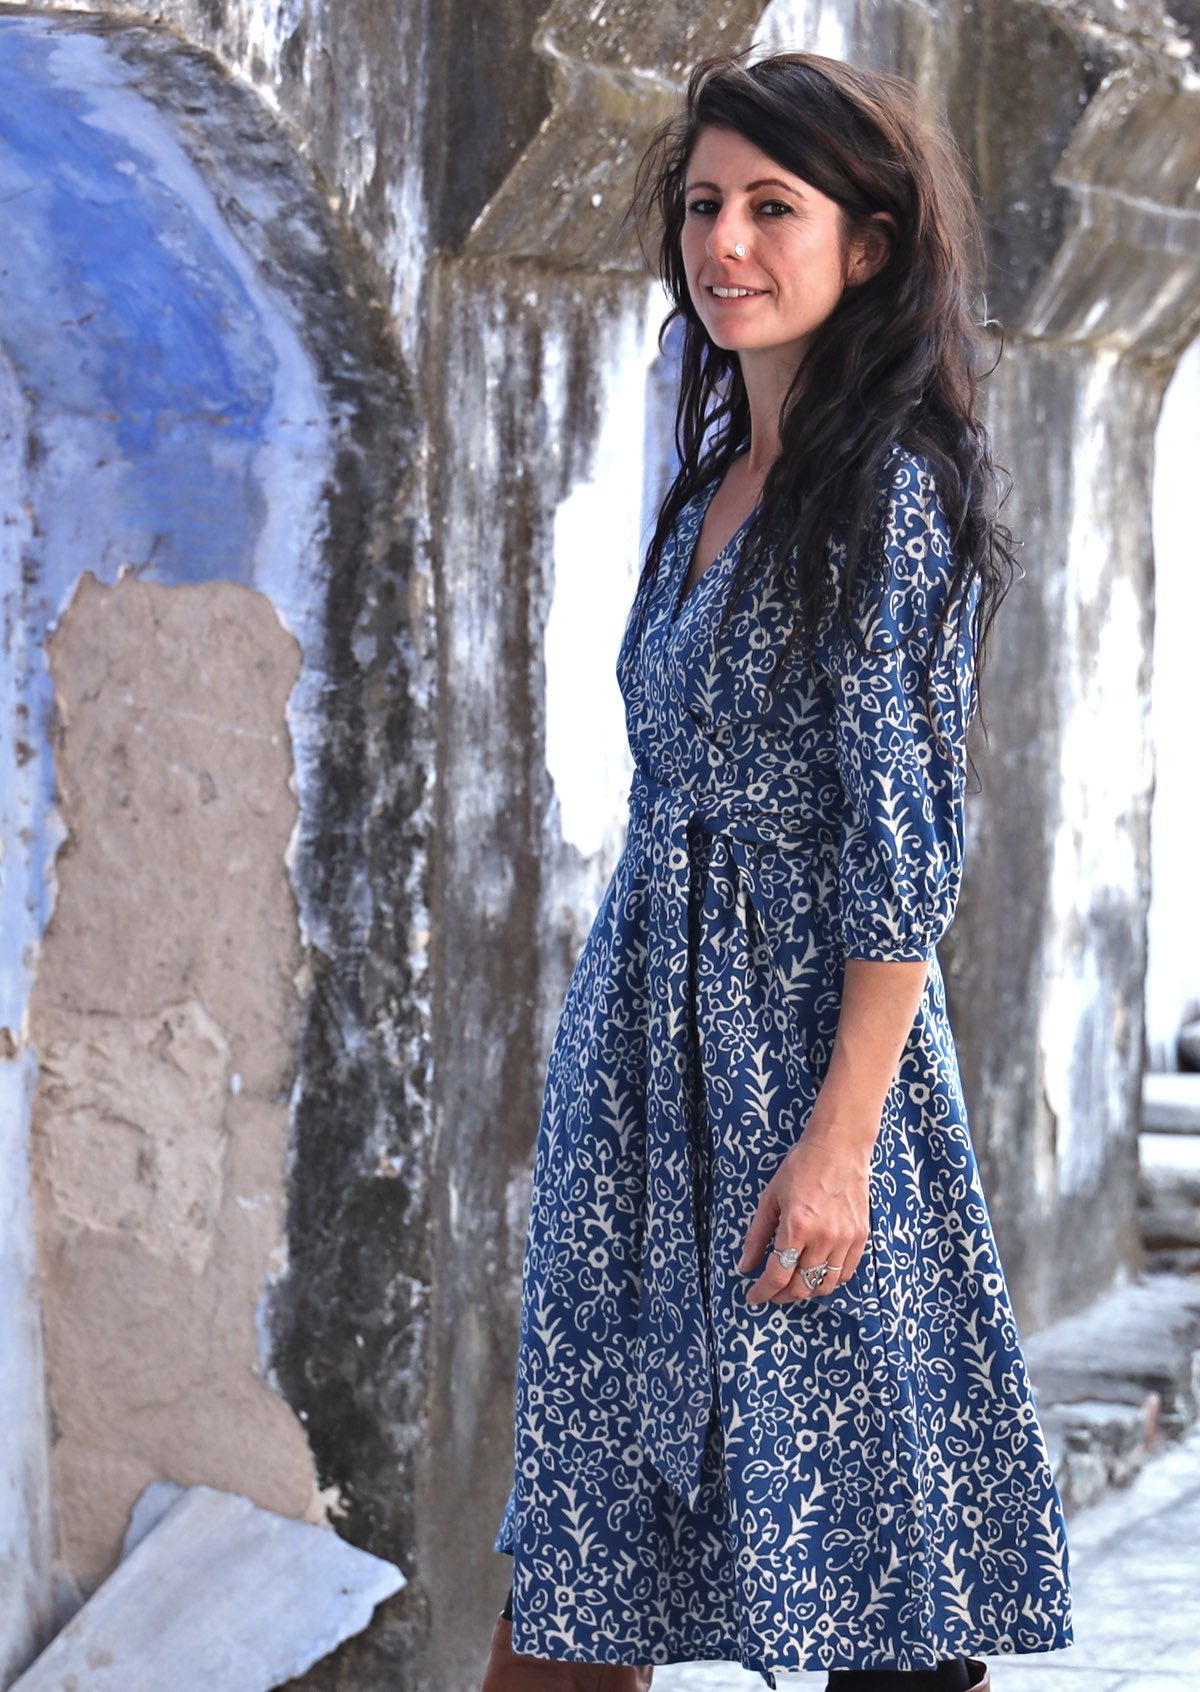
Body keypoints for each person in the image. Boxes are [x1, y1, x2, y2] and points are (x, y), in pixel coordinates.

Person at [483, 49, 1073, 1692]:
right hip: (643, 1072)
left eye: (771, 208)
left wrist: (839, 1144)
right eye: (701, 207)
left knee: (876, 1578)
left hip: (805, 1068)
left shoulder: (888, 500)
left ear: (866, 245)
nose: (723, 244)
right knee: (585, 1537)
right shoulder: (708, 488)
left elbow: (907, 854)